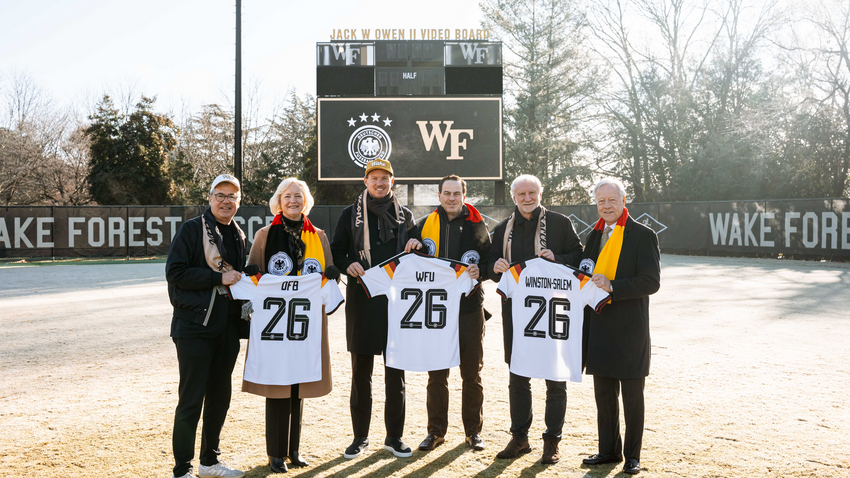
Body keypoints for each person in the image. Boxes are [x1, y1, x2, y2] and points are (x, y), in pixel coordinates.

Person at [243, 178, 341, 473]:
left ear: (306, 201)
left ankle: (294, 449)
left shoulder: (319, 236)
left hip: (305, 324)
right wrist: (252, 274)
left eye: (298, 196)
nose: (293, 201)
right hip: (274, 325)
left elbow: (326, 273)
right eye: (288, 196)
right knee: (277, 385)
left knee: (300, 383)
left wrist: (332, 273)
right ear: (279, 200)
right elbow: (252, 275)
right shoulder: (264, 234)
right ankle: (275, 452)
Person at [487, 174, 583, 465]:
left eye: (532, 193)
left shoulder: (560, 223)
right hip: (517, 314)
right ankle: (520, 438)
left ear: (540, 194)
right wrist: (495, 266)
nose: (527, 198)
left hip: (554, 312)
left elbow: (580, 257)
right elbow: (490, 267)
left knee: (555, 378)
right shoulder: (503, 229)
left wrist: (559, 258)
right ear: (514, 197)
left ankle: (552, 441)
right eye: (521, 194)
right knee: (518, 377)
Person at [330, 159, 421, 459]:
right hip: (363, 298)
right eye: (374, 178)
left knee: (396, 374)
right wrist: (348, 264)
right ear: (365, 181)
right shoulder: (349, 214)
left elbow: (418, 249)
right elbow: (337, 251)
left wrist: (417, 245)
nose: (379, 183)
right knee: (361, 374)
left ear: (392, 181)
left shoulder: (405, 215)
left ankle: (394, 437)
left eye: (385, 178)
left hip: (397, 303)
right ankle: (360, 437)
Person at [166, 174, 248, 478]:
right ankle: (182, 469)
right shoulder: (191, 229)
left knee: (219, 397)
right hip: (194, 327)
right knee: (191, 400)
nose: (226, 201)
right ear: (210, 198)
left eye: (232, 196)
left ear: (239, 201)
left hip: (226, 328)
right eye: (220, 195)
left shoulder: (238, 234)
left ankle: (209, 462)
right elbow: (175, 273)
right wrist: (217, 278)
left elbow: (238, 278)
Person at [580, 178, 660, 475]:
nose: (606, 206)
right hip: (598, 326)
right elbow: (583, 272)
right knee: (603, 395)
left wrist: (613, 285)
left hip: (629, 328)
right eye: (601, 201)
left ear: (624, 201)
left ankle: (633, 456)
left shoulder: (642, 234)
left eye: (612, 200)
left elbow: (651, 282)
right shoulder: (594, 235)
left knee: (631, 397)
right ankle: (608, 451)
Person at [415, 175, 491, 453]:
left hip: (470, 309)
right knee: (437, 374)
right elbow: (407, 258)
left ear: (463, 196)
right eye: (446, 193)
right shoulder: (424, 225)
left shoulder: (477, 224)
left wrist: (480, 271)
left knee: (472, 373)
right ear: (439, 196)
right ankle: (435, 431)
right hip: (436, 311)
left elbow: (491, 262)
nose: (451, 198)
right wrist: (410, 247)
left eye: (456, 193)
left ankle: (473, 432)